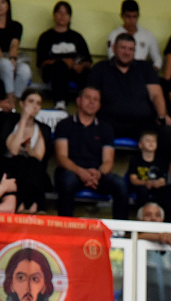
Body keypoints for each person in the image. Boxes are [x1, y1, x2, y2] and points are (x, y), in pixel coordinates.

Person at [53, 86, 132, 220]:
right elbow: (61, 157)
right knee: (66, 182)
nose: (92, 102)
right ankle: (65, 228)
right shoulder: (64, 125)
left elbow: (108, 161)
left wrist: (98, 174)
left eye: (96, 99)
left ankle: (121, 231)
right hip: (71, 170)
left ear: (100, 105)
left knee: (120, 184)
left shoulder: (106, 128)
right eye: (88, 98)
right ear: (78, 101)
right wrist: (80, 172)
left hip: (97, 174)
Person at [88, 34, 171, 142]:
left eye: (131, 49)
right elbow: (90, 96)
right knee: (89, 132)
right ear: (114, 48)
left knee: (167, 130)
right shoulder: (100, 68)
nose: (127, 52)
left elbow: (156, 95)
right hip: (109, 123)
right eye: (123, 48)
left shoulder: (145, 68)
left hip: (142, 123)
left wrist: (162, 116)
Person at [0, 87, 53, 212]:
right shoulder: (10, 121)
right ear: (22, 104)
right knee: (19, 160)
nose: (34, 106)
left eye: (38, 103)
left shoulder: (44, 128)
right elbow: (13, 150)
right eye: (31, 101)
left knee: (32, 163)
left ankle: (30, 206)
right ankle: (31, 205)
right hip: (9, 167)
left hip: (33, 170)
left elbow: (38, 158)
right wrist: (23, 119)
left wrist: (28, 148)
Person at [36, 1, 90, 108]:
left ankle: (87, 104)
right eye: (59, 13)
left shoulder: (77, 37)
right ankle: (60, 103)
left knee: (89, 73)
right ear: (54, 15)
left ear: (70, 17)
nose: (62, 16)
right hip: (53, 71)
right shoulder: (45, 37)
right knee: (60, 66)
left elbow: (88, 61)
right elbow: (41, 63)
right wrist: (63, 61)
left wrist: (81, 66)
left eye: (66, 14)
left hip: (74, 72)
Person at [106, 0, 160, 69]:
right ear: (122, 16)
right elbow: (112, 57)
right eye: (128, 16)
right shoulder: (114, 35)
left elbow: (157, 59)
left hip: (142, 74)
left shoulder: (147, 35)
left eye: (134, 17)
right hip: (119, 72)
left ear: (138, 16)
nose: (131, 20)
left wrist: (152, 74)